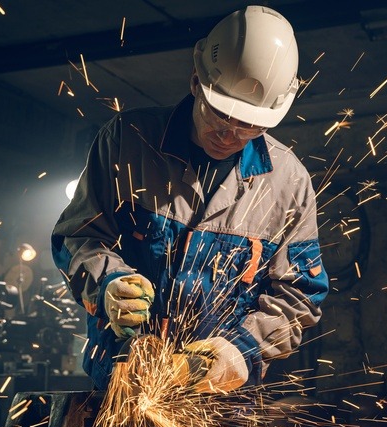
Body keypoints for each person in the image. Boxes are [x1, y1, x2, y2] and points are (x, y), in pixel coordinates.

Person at [51, 5, 328, 393]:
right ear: (196, 81)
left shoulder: (288, 182)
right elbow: (77, 237)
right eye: (220, 113)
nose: (229, 134)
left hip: (223, 404)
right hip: (123, 381)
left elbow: (298, 296)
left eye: (248, 124)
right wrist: (108, 282)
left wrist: (240, 349)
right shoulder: (128, 141)